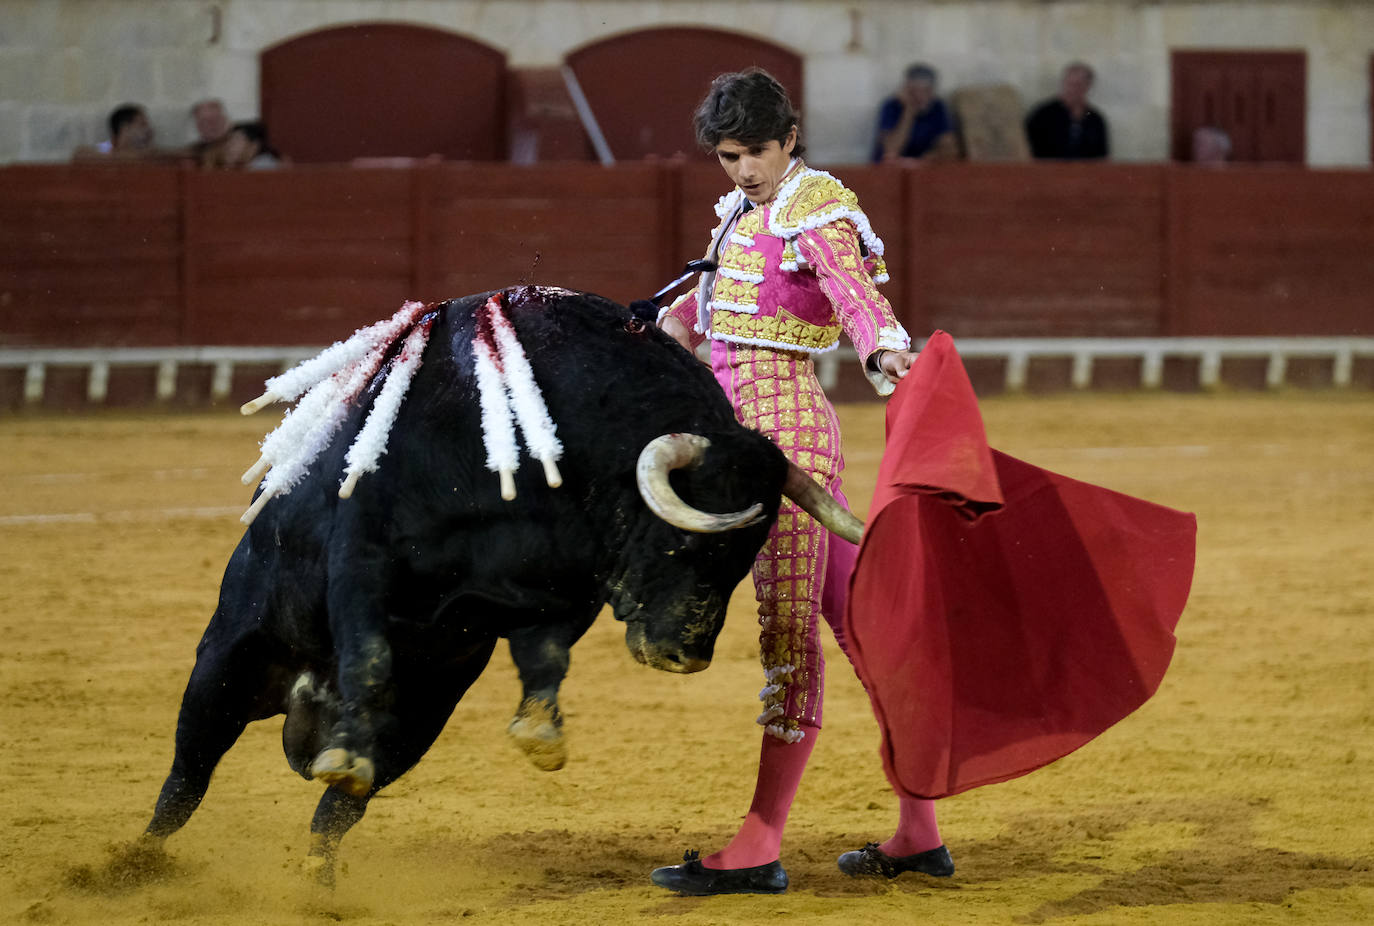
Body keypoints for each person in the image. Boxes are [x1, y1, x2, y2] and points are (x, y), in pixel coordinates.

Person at [649, 68, 951, 895]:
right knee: (870, 633)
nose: (742, 169)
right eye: (727, 155)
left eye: (754, 152)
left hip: (788, 450)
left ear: (790, 140)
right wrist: (647, 331)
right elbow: (701, 316)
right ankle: (919, 832)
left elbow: (855, 295)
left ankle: (757, 844)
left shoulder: (815, 206)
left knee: (788, 637)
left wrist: (887, 348)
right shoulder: (743, 213)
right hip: (738, 437)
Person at [872, 63, 958, 162]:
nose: (919, 96)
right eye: (913, 91)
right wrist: (909, 112)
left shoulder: (938, 107)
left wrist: (934, 155)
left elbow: (949, 148)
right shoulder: (891, 106)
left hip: (924, 168)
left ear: (932, 92)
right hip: (891, 168)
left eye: (925, 91)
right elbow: (891, 150)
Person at [1025, 61, 1109, 160]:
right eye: (1069, 84)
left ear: (1088, 86)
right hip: (1048, 172)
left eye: (1078, 85)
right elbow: (1027, 150)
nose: (1072, 89)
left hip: (1085, 174)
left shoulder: (1095, 119)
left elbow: (1102, 157)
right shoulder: (1043, 114)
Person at [73, 103, 156, 160]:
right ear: (125, 127)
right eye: (142, 124)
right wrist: (129, 156)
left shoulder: (149, 152)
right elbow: (80, 153)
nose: (149, 130)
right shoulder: (107, 146)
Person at [201, 121, 283, 170]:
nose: (229, 146)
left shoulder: (265, 167)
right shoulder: (240, 167)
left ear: (254, 146)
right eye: (229, 141)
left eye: (236, 141)